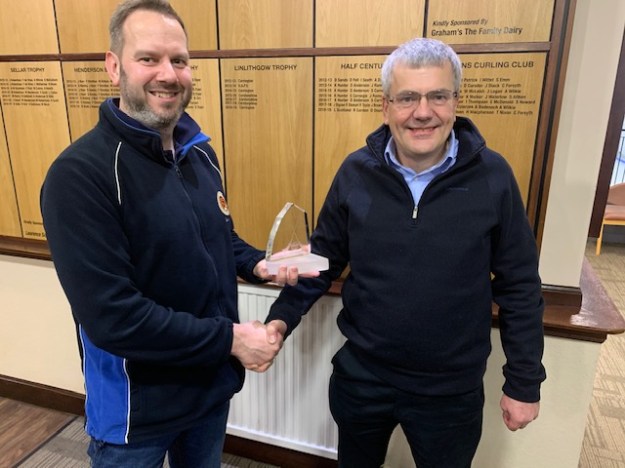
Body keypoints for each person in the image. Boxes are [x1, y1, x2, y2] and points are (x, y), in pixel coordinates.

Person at [40, 1, 302, 466]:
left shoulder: (199, 154)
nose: (168, 74)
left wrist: (259, 264)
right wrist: (231, 340)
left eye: (179, 60)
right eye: (149, 58)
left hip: (207, 390)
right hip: (135, 413)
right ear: (114, 66)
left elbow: (216, 237)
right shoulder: (79, 176)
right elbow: (114, 317)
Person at [265, 37, 547, 468]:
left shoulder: (493, 177)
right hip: (363, 378)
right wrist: (279, 321)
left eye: (438, 96)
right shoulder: (355, 172)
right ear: (386, 107)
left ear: (455, 102)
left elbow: (520, 285)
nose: (422, 112)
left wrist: (524, 382)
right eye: (407, 97)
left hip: (450, 392)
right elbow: (322, 259)